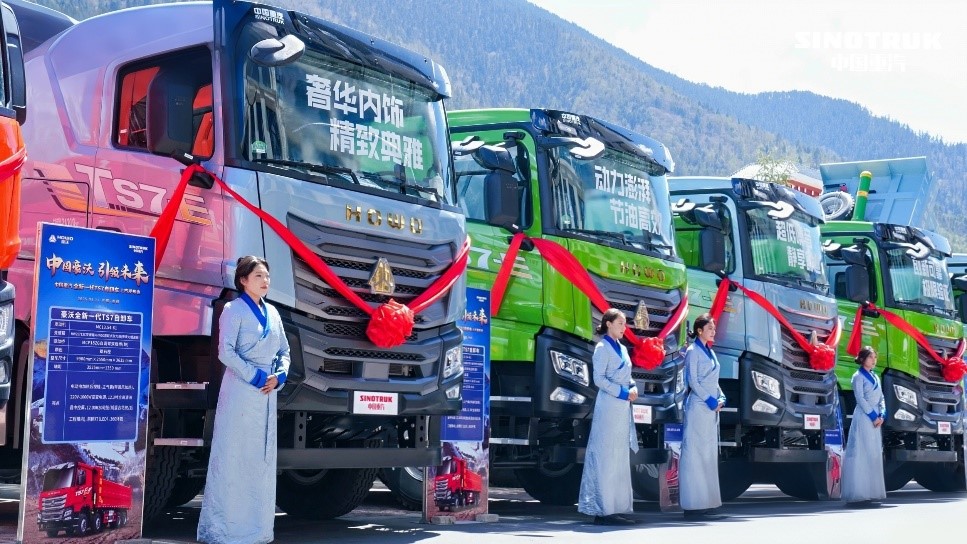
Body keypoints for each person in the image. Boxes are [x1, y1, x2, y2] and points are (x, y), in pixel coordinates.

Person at [198, 256, 291, 544]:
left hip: (266, 396)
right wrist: (257, 376)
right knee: (233, 457)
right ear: (243, 280)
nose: (265, 281)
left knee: (261, 459)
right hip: (240, 390)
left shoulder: (273, 312)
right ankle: (225, 530)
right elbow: (225, 352)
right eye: (259, 276)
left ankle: (259, 530)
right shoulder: (232, 309)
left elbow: (284, 351)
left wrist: (280, 375)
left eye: (267, 276)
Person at [577, 308, 640, 526]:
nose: (624, 327)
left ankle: (616, 507)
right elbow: (599, 379)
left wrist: (633, 386)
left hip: (622, 407)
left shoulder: (622, 348)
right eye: (620, 323)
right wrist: (623, 392)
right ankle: (602, 509)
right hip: (609, 405)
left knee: (618, 456)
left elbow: (628, 376)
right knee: (605, 455)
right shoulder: (602, 348)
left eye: (624, 323)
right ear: (608, 324)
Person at [679, 313, 726, 519]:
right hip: (698, 407)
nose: (713, 331)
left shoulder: (710, 351)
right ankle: (692, 506)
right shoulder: (693, 351)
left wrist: (721, 396)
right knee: (695, 455)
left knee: (707, 454)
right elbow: (693, 380)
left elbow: (713, 379)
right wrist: (709, 399)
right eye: (710, 328)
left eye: (714, 328)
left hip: (710, 410)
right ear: (699, 331)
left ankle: (706, 503)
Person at [841, 345, 886, 507]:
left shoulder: (876, 376)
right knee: (862, 451)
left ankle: (871, 491)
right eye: (870, 357)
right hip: (864, 417)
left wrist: (882, 414)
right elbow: (860, 399)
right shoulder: (857, 377)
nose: (874, 360)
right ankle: (859, 491)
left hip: (876, 418)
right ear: (862, 359)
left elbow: (881, 398)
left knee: (873, 452)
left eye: (875, 357)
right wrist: (873, 416)